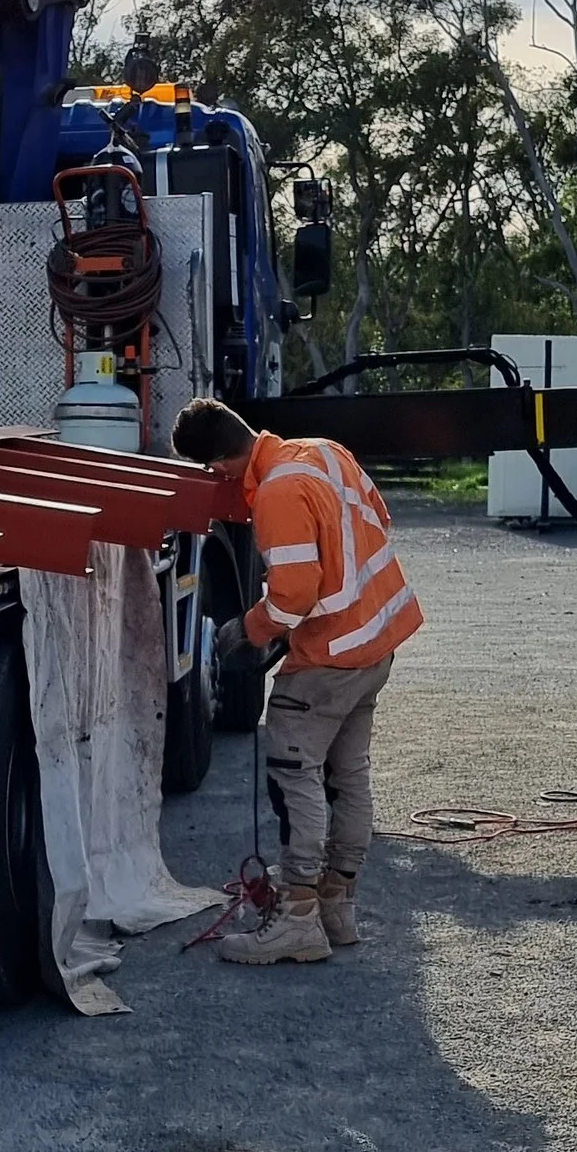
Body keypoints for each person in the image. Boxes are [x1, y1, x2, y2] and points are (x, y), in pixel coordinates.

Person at [170, 397, 424, 965]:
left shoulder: (280, 492)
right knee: (350, 774)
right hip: (376, 642)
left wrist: (245, 631)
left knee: (294, 771)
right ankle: (338, 906)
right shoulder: (326, 452)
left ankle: (299, 917)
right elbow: (375, 523)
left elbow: (293, 596)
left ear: (220, 465)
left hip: (331, 656)